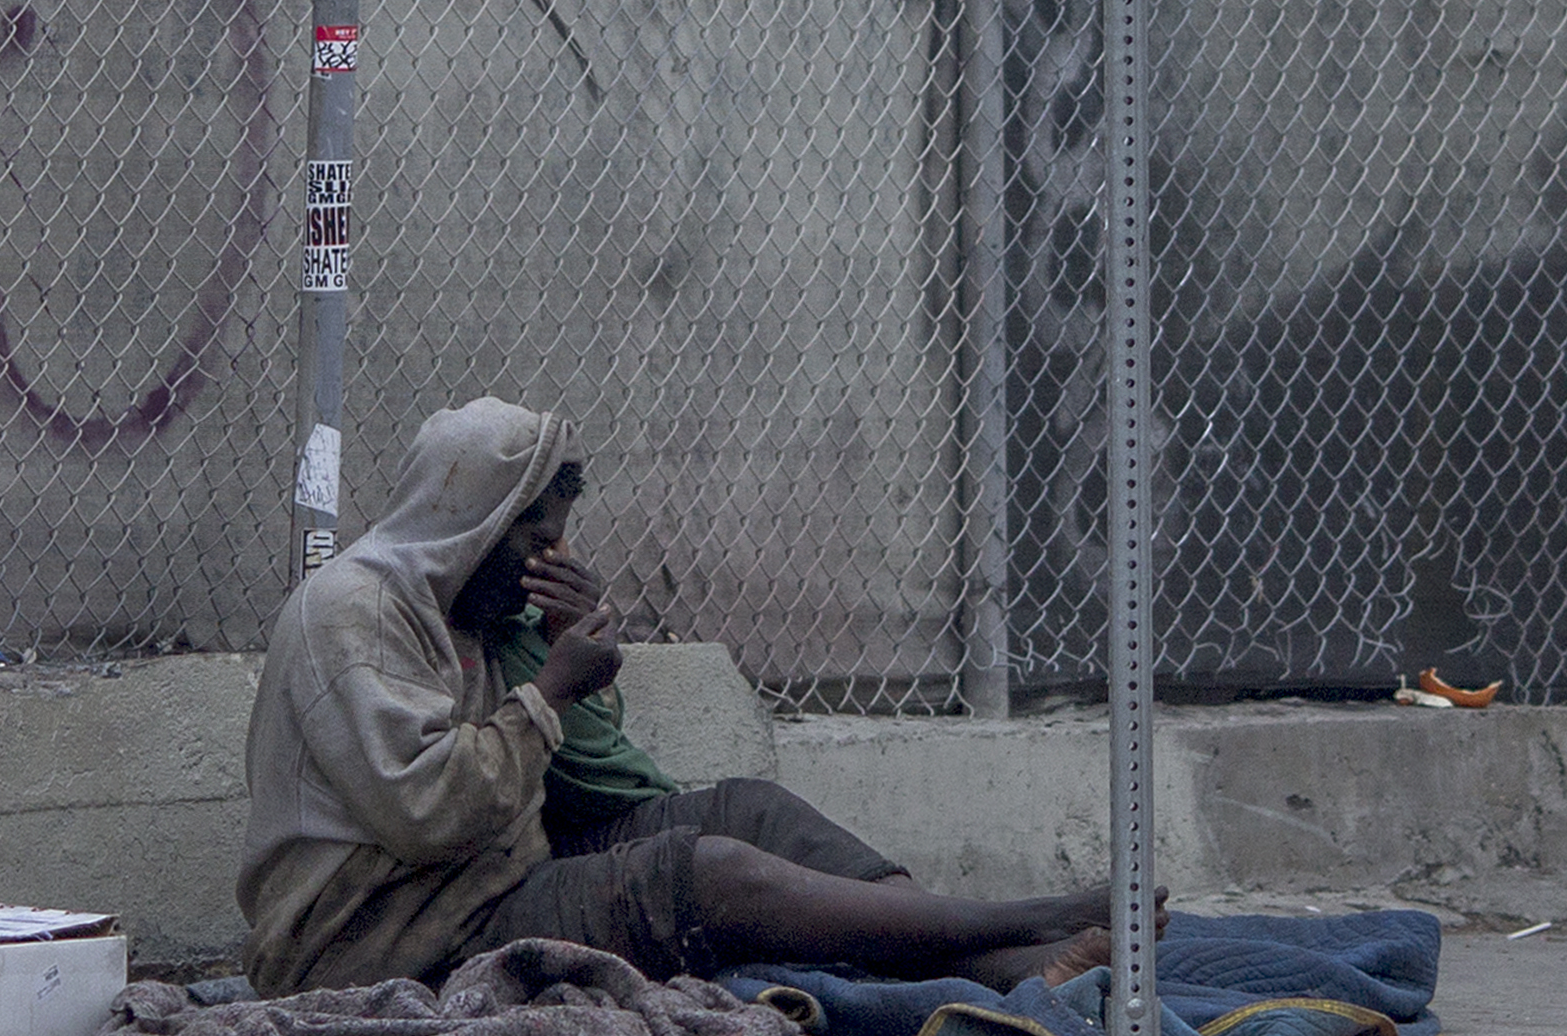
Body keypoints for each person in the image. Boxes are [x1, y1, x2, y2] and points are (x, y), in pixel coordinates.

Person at [239, 395, 1134, 996]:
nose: (548, 560)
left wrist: (562, 661)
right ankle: (1015, 927)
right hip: (381, 940)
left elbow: (586, 778)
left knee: (751, 810)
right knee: (703, 876)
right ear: (474, 524)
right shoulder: (353, 610)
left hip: (492, 873)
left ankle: (1003, 962)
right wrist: (550, 689)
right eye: (533, 537)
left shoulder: (475, 609)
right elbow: (428, 808)